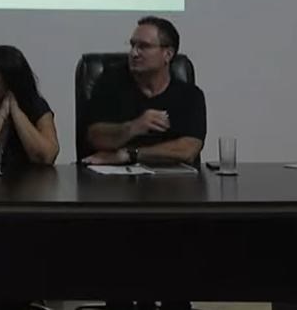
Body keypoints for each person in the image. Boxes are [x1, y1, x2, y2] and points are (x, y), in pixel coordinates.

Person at [81, 16, 205, 310]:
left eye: (144, 46)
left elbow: (188, 148)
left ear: (167, 54)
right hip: (117, 196)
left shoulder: (189, 95)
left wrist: (129, 154)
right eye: (132, 45)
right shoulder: (110, 83)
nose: (134, 53)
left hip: (171, 198)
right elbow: (95, 136)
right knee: (119, 242)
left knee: (176, 243)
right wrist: (133, 127)